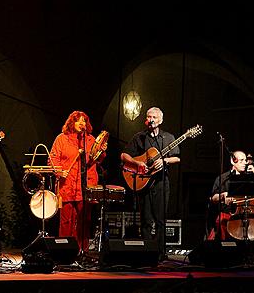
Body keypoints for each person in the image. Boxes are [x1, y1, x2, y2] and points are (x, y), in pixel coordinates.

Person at [120, 107, 180, 256]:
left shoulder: (168, 138)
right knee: (146, 220)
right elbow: (124, 155)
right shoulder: (140, 137)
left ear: (160, 120)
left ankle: (159, 252)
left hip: (161, 182)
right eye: (149, 117)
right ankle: (147, 251)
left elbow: (177, 157)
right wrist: (137, 163)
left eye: (154, 117)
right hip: (144, 182)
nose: (151, 119)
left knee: (160, 219)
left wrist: (164, 160)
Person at [48, 111, 107, 253]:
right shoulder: (62, 139)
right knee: (66, 221)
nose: (82, 124)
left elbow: (97, 160)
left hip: (86, 185)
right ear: (71, 123)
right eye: (78, 121)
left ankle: (82, 251)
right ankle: (64, 251)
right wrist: (59, 171)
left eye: (84, 121)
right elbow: (53, 159)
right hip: (67, 185)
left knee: (84, 221)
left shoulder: (91, 139)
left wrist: (102, 152)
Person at [207, 150, 254, 240]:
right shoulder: (223, 178)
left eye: (245, 160)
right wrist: (223, 195)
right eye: (241, 160)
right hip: (229, 215)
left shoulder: (251, 176)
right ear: (233, 161)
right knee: (221, 220)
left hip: (250, 215)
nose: (245, 163)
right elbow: (213, 198)